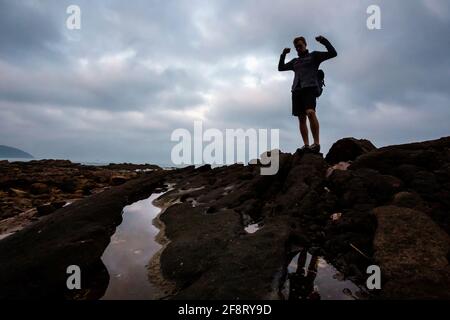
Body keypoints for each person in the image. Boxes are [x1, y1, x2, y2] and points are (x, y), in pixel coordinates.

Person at [278, 35, 337, 153]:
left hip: (309, 88)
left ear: (305, 45)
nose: (298, 48)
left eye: (300, 46)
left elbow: (333, 53)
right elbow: (281, 68)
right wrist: (283, 54)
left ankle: (316, 143)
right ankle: (306, 145)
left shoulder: (314, 56)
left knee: (310, 112)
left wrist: (324, 41)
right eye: (296, 47)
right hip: (296, 90)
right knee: (301, 119)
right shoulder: (295, 61)